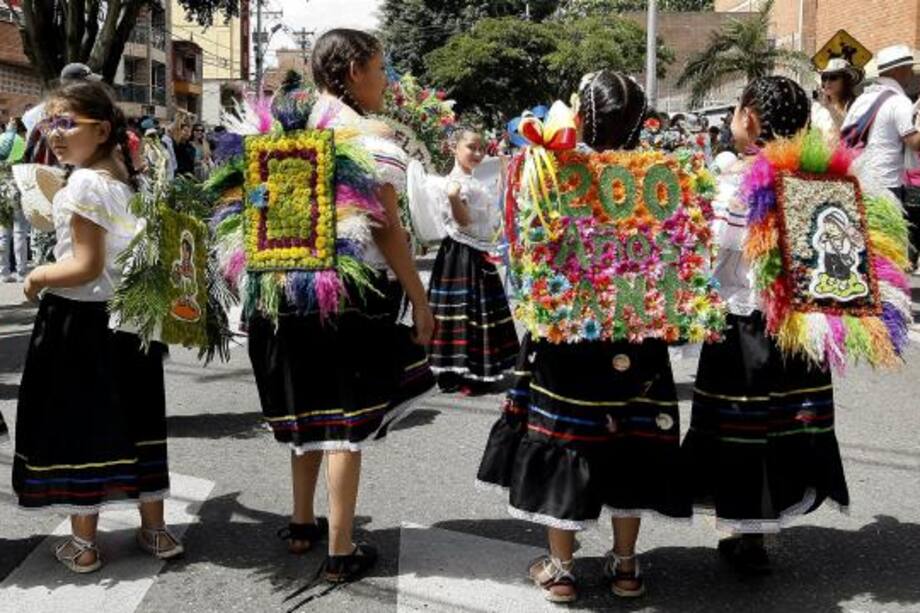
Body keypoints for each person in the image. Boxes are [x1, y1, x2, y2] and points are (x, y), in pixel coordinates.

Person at [477, 71, 692, 603]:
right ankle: (625, 567)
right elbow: (681, 259)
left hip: (567, 336)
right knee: (629, 445)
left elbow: (521, 256)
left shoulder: (546, 169)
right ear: (641, 121)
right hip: (639, 336)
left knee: (567, 443)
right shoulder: (663, 176)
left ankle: (562, 569)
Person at [245, 28, 435, 583]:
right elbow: (390, 230)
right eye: (379, 69)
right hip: (352, 297)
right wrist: (420, 301)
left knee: (306, 412)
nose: (385, 81)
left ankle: (303, 522)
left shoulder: (286, 130)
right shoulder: (372, 139)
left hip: (283, 292)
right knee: (346, 425)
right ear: (353, 71)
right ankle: (340, 547)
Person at [12, 80, 183, 573]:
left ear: (102, 129)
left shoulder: (84, 183)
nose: (55, 133)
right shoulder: (128, 182)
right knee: (139, 421)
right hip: (132, 321)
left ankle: (85, 545)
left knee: (78, 427)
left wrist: (37, 276)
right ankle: (155, 530)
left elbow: (84, 265)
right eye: (49, 123)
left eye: (66, 123)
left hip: (80, 324)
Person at [682, 76, 849, 574]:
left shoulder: (735, 181)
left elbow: (714, 253)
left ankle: (746, 533)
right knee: (781, 428)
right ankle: (761, 528)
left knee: (742, 431)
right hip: (798, 327)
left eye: (737, 109)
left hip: (745, 326)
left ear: (750, 119)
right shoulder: (815, 178)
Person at [427, 126, 519, 394]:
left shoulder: (474, 181)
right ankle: (456, 373)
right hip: (460, 253)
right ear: (454, 148)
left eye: (481, 148)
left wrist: (503, 165)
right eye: (471, 147)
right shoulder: (453, 184)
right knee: (463, 312)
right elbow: (464, 221)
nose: (477, 153)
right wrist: (454, 197)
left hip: (476, 252)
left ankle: (470, 371)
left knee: (472, 312)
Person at [842, 44, 920, 265]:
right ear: (898, 71)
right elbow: (914, 142)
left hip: (857, 182)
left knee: (861, 246)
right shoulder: (899, 102)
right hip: (887, 186)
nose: (911, 73)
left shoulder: (862, 100)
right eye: (908, 68)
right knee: (886, 249)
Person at [0, 118, 29, 281]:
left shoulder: (2, 143)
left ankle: (3, 272)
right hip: (17, 190)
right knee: (20, 232)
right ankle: (22, 272)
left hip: (1, 192)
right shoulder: (20, 145)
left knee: (3, 234)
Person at [811, 58, 863, 140]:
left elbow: (850, 134)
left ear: (845, 80)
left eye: (833, 77)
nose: (827, 82)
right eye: (824, 78)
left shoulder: (855, 105)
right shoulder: (817, 106)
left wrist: (830, 109)